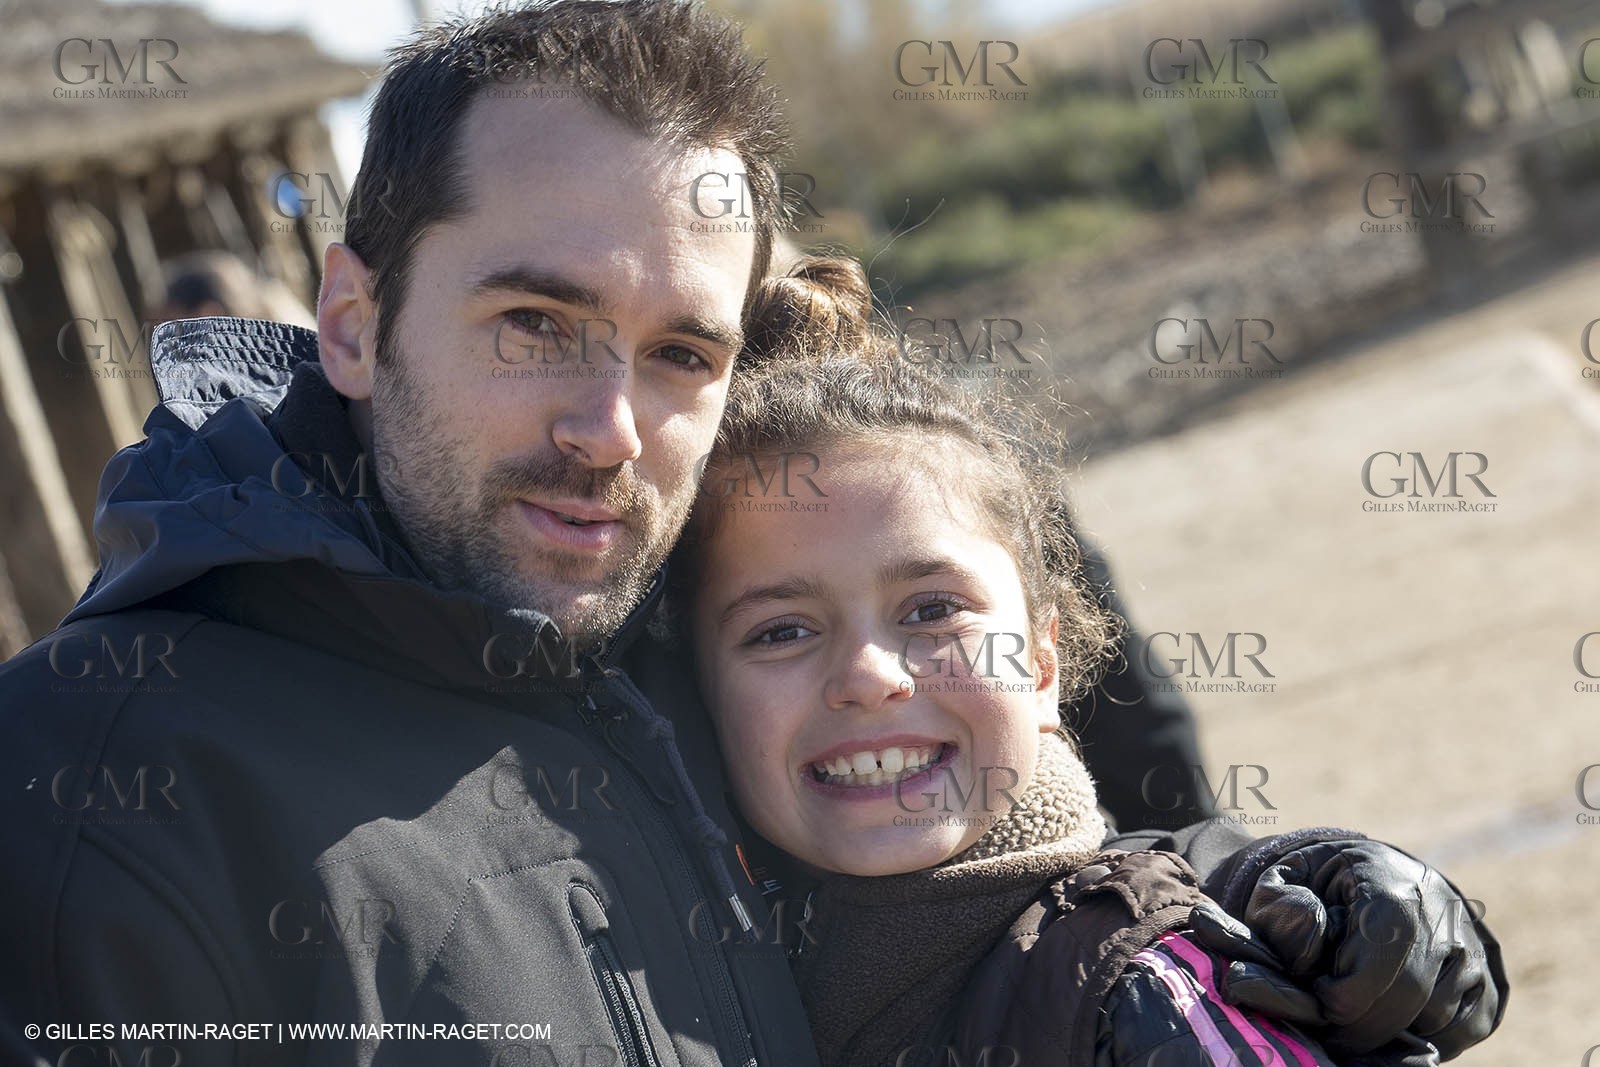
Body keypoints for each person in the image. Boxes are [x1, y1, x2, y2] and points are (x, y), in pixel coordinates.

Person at [0, 5, 1500, 1067]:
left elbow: (976, 871)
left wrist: (1280, 887)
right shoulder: (100, 794)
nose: (610, 427)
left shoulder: (647, 624)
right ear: (350, 315)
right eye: (536, 322)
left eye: (681, 354)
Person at [672, 260, 1508, 1067]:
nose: (868, 673)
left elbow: (1154, 740)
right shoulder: (720, 978)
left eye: (931, 609)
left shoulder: (1152, 1000)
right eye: (780, 630)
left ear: (1043, 663)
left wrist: (1240, 883)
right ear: (692, 695)